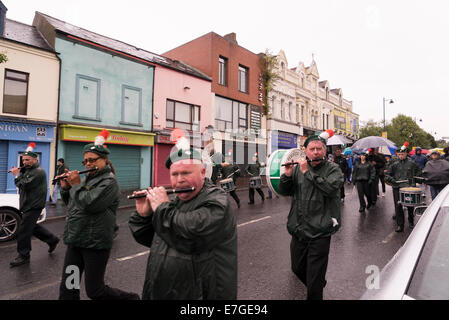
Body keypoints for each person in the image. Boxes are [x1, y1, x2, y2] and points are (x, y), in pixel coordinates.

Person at [128, 147, 237, 299]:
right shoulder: (174, 201)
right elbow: (155, 239)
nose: (179, 179)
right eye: (174, 174)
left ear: (203, 173)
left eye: (186, 173)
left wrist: (161, 208)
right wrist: (143, 216)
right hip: (164, 291)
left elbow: (191, 235)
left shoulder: (217, 200)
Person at [58, 130, 139, 300]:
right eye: (85, 160)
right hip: (76, 240)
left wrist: (75, 186)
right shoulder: (86, 179)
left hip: (95, 243)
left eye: (92, 160)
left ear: (104, 160)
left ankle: (130, 299)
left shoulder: (109, 182)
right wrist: (66, 189)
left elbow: (89, 204)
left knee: (95, 291)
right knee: (69, 287)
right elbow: (74, 205)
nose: (87, 164)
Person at [278, 133, 343, 300]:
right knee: (297, 268)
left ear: (324, 151)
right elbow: (285, 192)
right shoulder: (298, 169)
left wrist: (307, 172)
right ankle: (318, 283)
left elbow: (330, 188)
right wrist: (287, 175)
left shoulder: (333, 169)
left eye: (319, 149)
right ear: (305, 151)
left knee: (313, 287)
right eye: (312, 149)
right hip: (299, 229)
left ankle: (316, 287)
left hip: (320, 231)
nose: (315, 152)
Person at [8, 143, 60, 267]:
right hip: (28, 204)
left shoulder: (38, 172)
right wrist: (21, 170)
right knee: (32, 227)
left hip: (34, 205)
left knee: (24, 230)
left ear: (36, 159)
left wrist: (16, 175)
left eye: (28, 160)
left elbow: (23, 185)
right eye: (23, 160)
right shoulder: (29, 170)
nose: (25, 162)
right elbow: (25, 177)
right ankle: (52, 239)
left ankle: (24, 255)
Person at [385, 144, 422, 232]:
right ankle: (400, 225)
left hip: (409, 187)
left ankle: (411, 221)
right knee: (398, 206)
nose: (400, 156)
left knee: (410, 206)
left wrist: (419, 179)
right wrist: (392, 179)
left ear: (406, 154)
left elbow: (418, 174)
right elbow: (387, 175)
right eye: (399, 154)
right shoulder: (394, 164)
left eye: (402, 154)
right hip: (397, 187)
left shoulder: (412, 163)